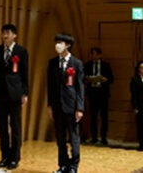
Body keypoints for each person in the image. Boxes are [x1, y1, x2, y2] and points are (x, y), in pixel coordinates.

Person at [0, 23, 29, 169]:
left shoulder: (21, 51)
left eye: (8, 33)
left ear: (14, 35)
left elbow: (25, 73)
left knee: (15, 127)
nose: (5, 35)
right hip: (0, 93)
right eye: (3, 33)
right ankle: (4, 156)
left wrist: (25, 93)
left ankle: (15, 158)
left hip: (15, 94)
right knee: (2, 127)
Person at [47, 33, 84, 173]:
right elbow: (50, 86)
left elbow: (80, 87)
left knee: (74, 137)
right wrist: (50, 105)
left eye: (60, 42)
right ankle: (63, 164)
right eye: (56, 42)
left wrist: (80, 108)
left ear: (68, 45)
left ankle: (74, 166)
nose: (57, 45)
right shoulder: (52, 63)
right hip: (57, 105)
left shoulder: (77, 63)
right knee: (60, 137)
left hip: (71, 105)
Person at [84, 47, 113, 145]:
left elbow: (111, 78)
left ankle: (104, 137)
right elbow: (83, 77)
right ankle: (94, 137)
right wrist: (88, 79)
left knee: (104, 116)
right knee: (93, 117)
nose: (94, 56)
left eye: (95, 54)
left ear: (100, 55)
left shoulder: (106, 65)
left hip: (103, 94)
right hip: (92, 94)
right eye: (92, 54)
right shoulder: (87, 65)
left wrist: (105, 79)